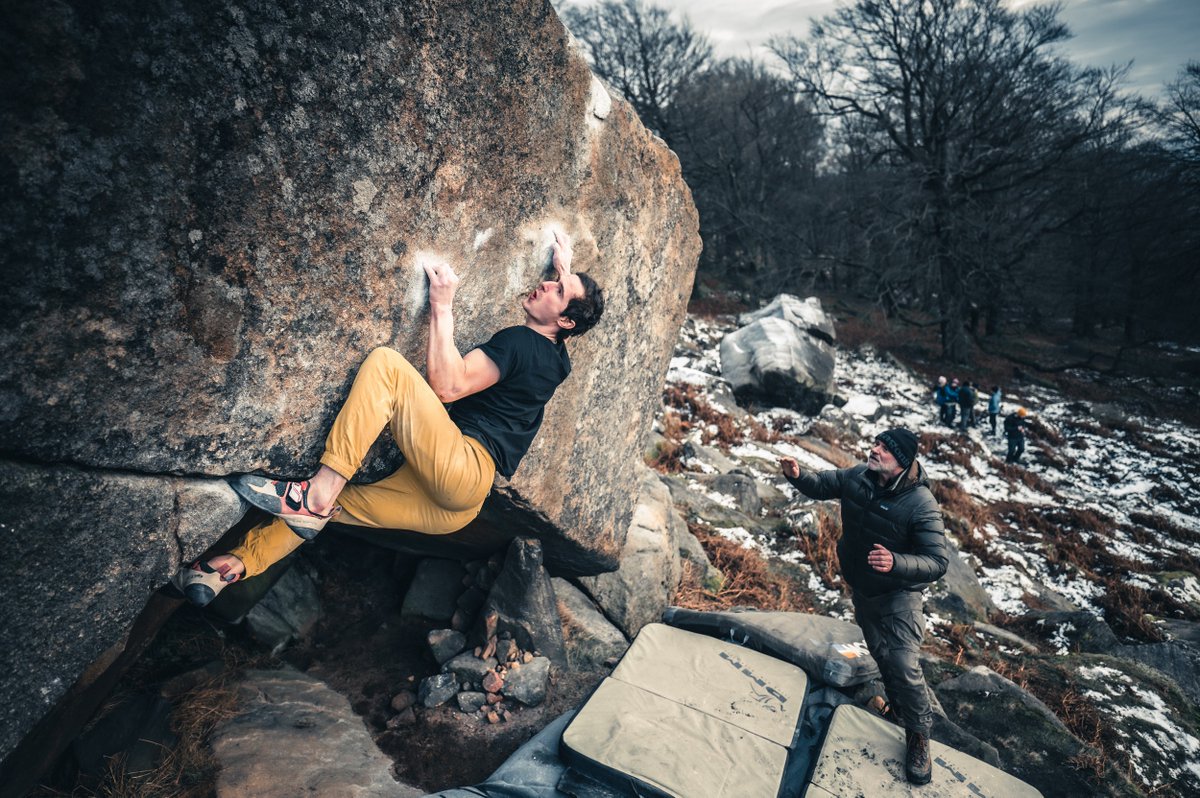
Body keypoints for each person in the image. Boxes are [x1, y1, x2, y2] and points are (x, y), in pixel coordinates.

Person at [173, 232, 604, 606]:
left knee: (385, 366)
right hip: (458, 508)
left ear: (564, 319)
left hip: (460, 467)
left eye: (557, 290)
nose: (545, 285)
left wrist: (442, 306)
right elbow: (566, 314)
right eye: (553, 281)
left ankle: (318, 491)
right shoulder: (557, 359)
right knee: (330, 514)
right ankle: (227, 569)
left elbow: (448, 387)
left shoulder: (520, 343)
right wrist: (565, 272)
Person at [779, 428, 948, 785]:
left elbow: (937, 560)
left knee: (902, 662)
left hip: (898, 595)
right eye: (876, 443)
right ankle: (899, 711)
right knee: (882, 655)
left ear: (901, 460)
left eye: (884, 448)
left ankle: (919, 735)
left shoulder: (921, 504)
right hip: (864, 590)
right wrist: (797, 476)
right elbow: (823, 484)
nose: (874, 450)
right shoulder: (859, 476)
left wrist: (897, 562)